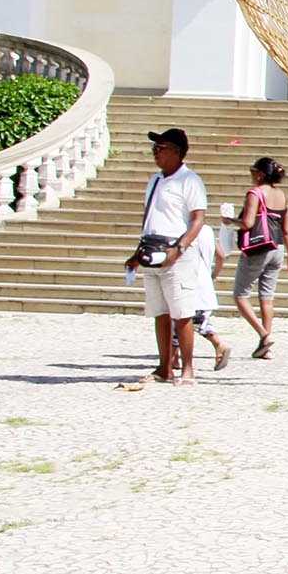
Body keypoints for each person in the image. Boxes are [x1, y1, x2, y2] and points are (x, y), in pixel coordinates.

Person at [127, 129, 211, 385]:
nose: (156, 152)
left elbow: (198, 218)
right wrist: (135, 254)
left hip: (177, 251)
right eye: (155, 148)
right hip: (153, 249)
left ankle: (188, 368)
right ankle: (164, 366)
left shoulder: (190, 181)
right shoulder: (155, 180)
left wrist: (181, 247)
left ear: (176, 151)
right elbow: (151, 218)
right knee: (159, 312)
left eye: (161, 147)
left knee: (182, 312)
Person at [233, 156, 288, 358]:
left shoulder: (255, 193)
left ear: (260, 174)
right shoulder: (282, 195)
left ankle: (263, 335)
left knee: (241, 295)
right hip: (277, 248)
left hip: (258, 248)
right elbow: (286, 230)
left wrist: (230, 220)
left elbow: (248, 223)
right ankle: (265, 347)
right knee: (266, 297)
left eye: (253, 172)